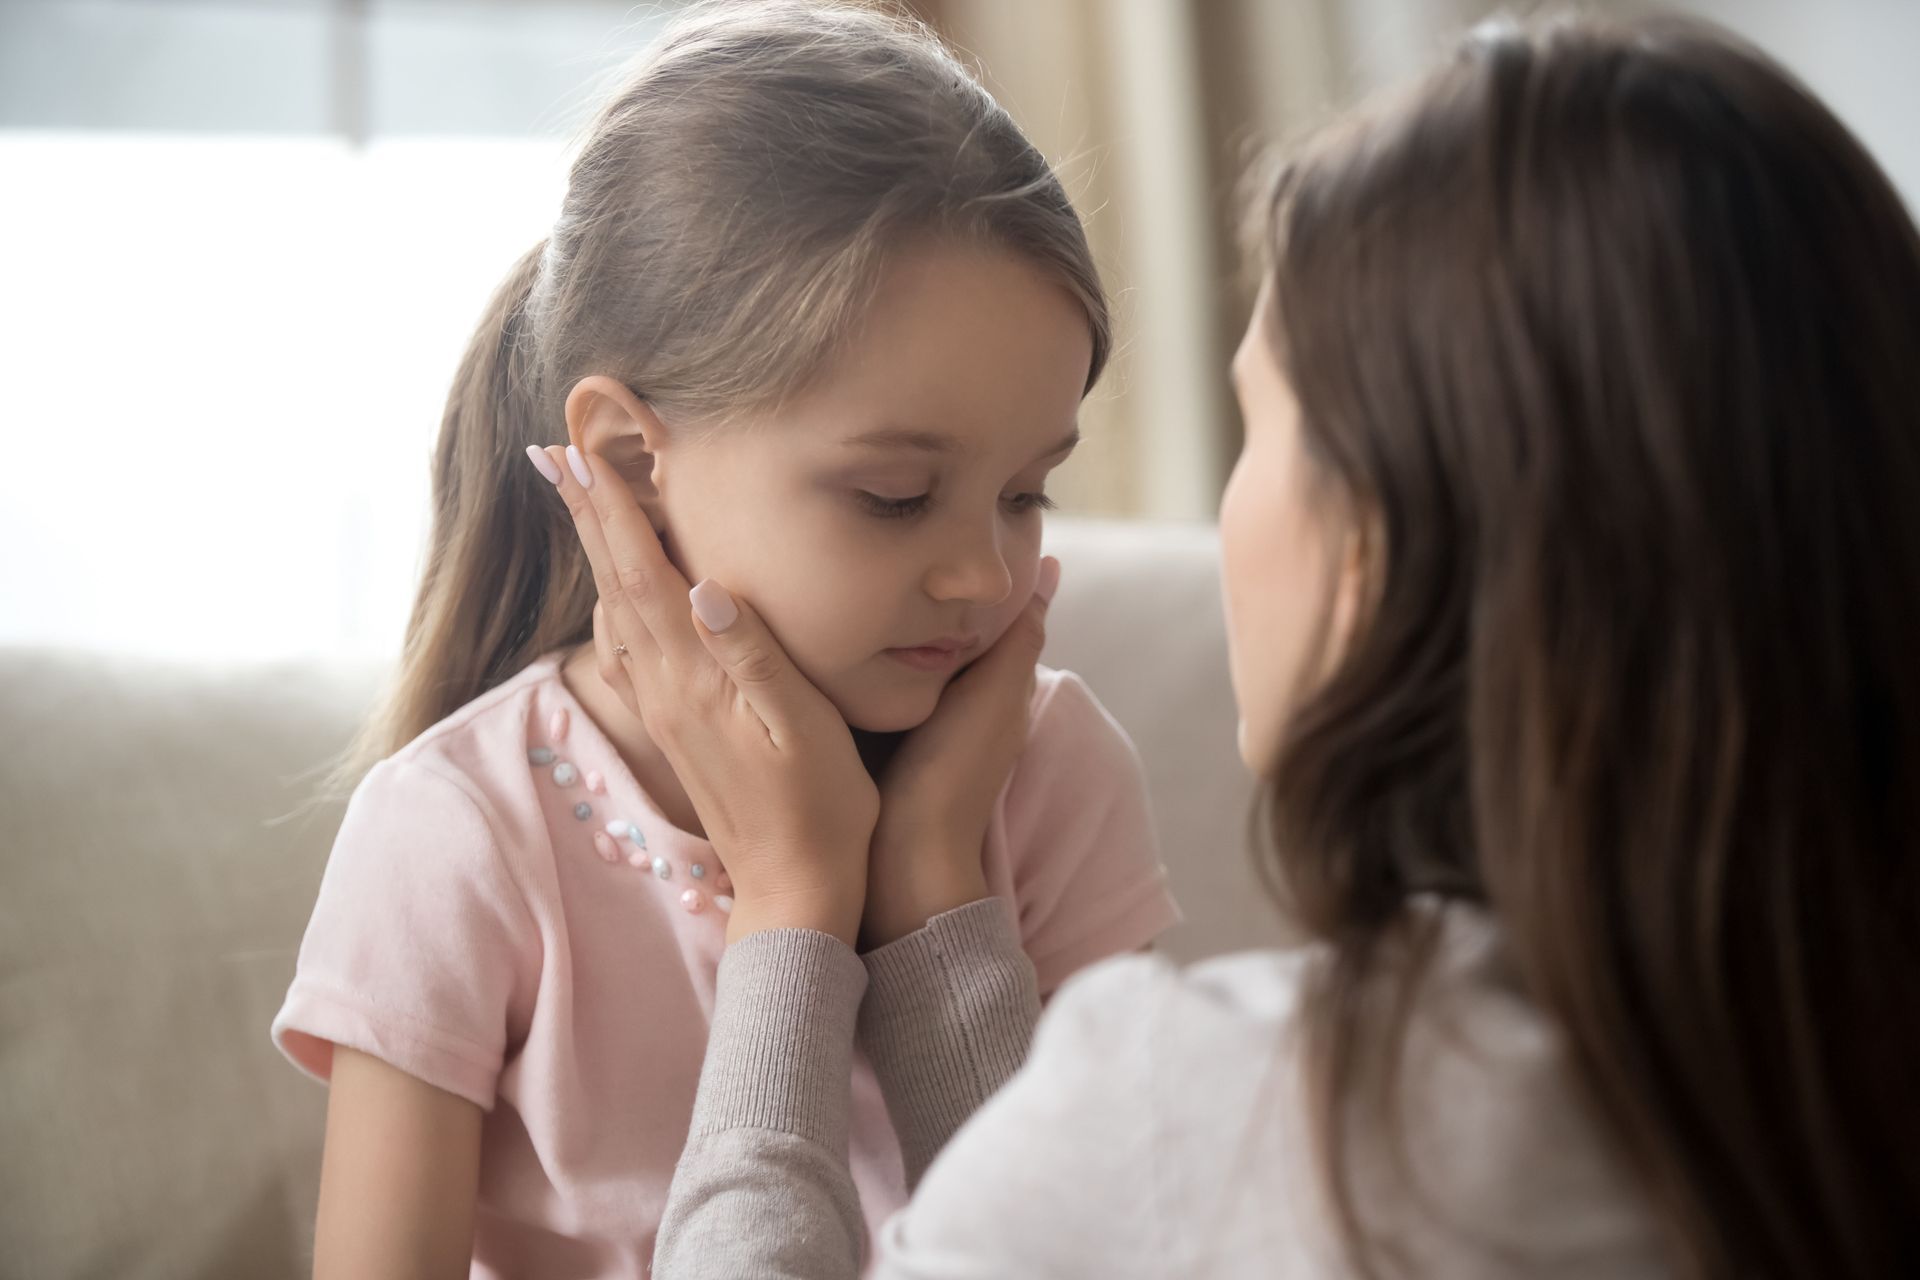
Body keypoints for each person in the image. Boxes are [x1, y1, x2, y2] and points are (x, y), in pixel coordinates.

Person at [566, 12, 1920, 1278]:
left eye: (1259, 426)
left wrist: (797, 897)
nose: (989, 570)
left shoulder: (1225, 1117)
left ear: (1374, 548)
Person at [268, 3, 1180, 1274]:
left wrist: (935, 886)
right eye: (894, 498)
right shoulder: (458, 835)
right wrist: (802, 899)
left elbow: (1098, 1254)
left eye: (1027, 492)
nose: (985, 571)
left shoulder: (1049, 776)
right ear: (634, 461)